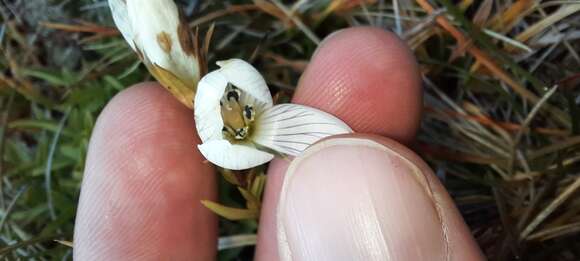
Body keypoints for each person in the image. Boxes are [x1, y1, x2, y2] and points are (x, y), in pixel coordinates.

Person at [73, 27, 484, 260]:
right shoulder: (229, 140)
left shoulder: (272, 126)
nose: (235, 113)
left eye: (237, 104)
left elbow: (331, 142)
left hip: (273, 133)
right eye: (231, 115)